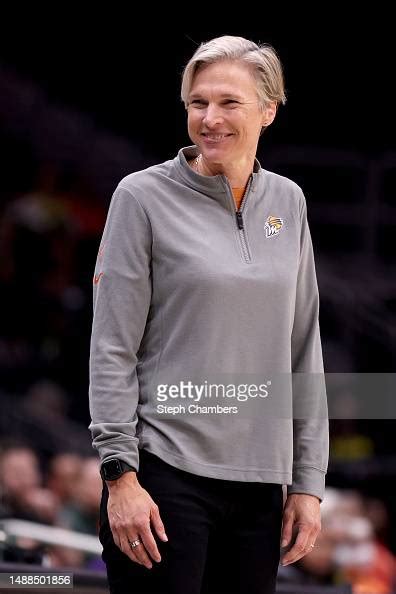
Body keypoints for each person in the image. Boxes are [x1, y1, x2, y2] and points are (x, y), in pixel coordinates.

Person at [88, 35, 329, 594]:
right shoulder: (140, 197)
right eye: (198, 102)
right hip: (163, 477)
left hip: (261, 489)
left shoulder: (290, 202)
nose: (209, 118)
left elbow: (304, 348)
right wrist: (119, 474)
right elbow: (112, 346)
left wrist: (308, 484)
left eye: (229, 103)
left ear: (269, 111)